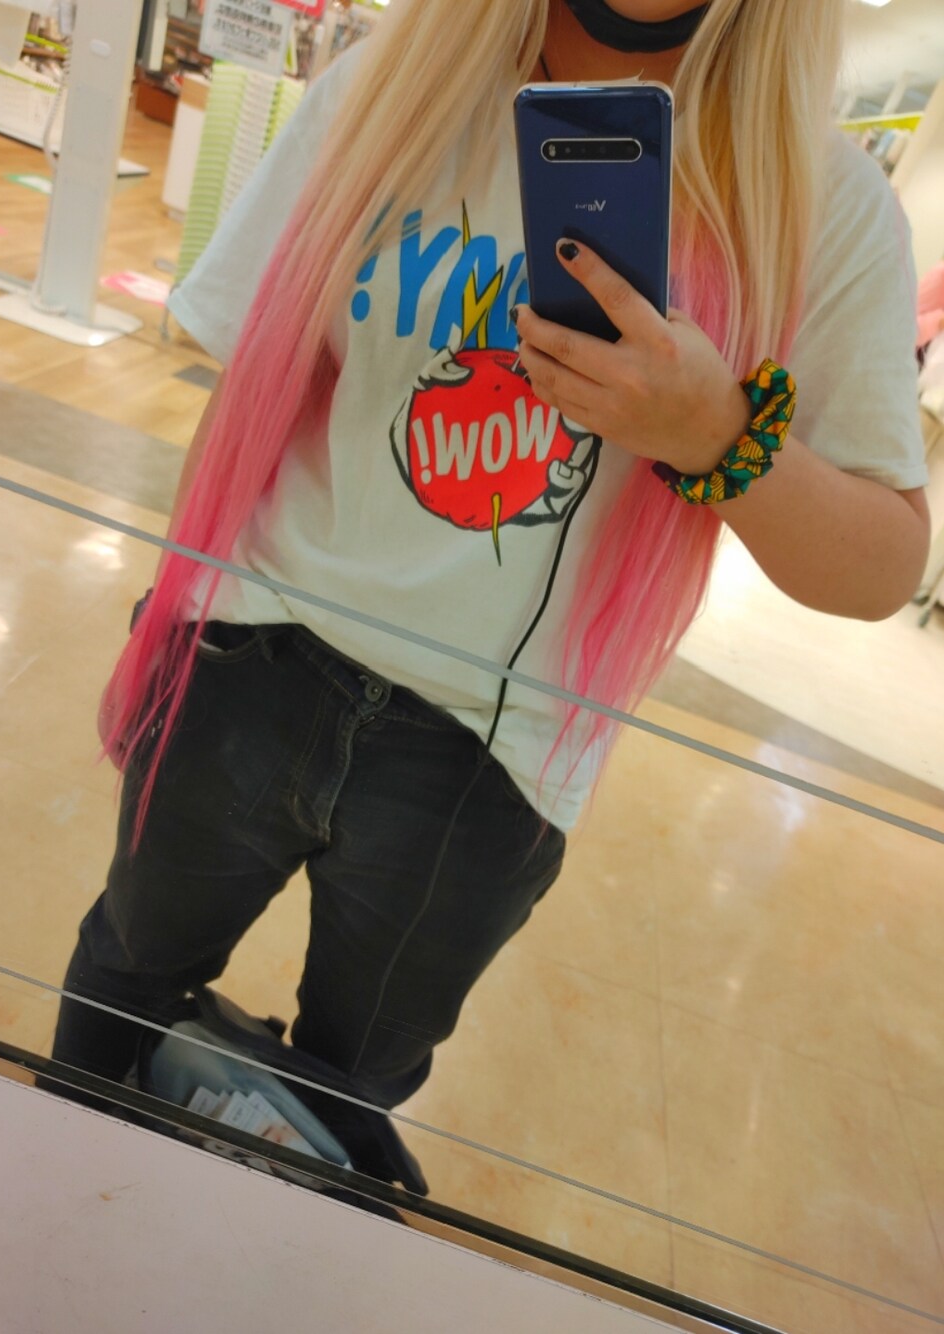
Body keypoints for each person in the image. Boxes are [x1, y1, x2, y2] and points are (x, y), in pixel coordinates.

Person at [52, 0, 930, 1123]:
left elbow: (878, 565)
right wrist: (171, 620)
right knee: (123, 978)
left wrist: (717, 432)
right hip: (254, 645)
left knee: (340, 1105)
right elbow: (253, 396)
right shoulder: (391, 95)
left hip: (490, 759)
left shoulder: (819, 205)